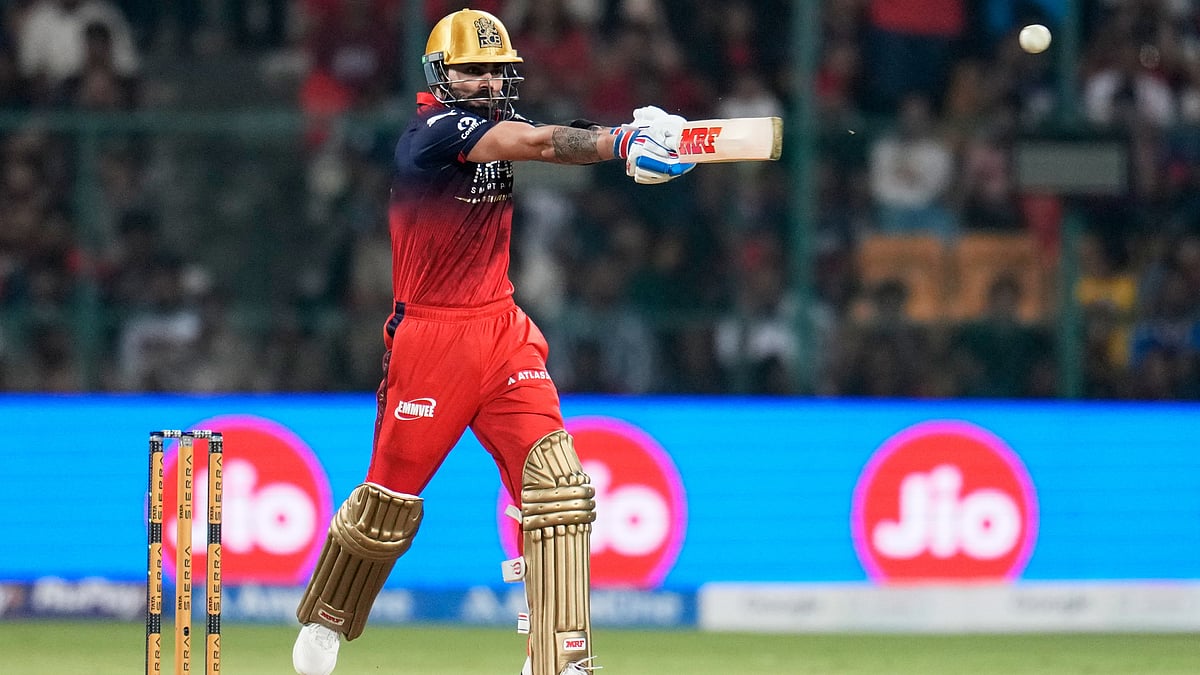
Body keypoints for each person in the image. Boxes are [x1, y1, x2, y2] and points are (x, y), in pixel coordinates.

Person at [290, 8, 694, 675]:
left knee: (558, 490)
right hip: (432, 338)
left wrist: (630, 141)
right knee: (388, 502)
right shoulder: (431, 131)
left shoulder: (491, 123)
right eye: (471, 70)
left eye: (494, 70)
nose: (484, 81)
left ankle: (560, 656)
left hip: (502, 330)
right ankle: (329, 615)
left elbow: (534, 137)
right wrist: (620, 143)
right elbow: (535, 144)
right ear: (439, 75)